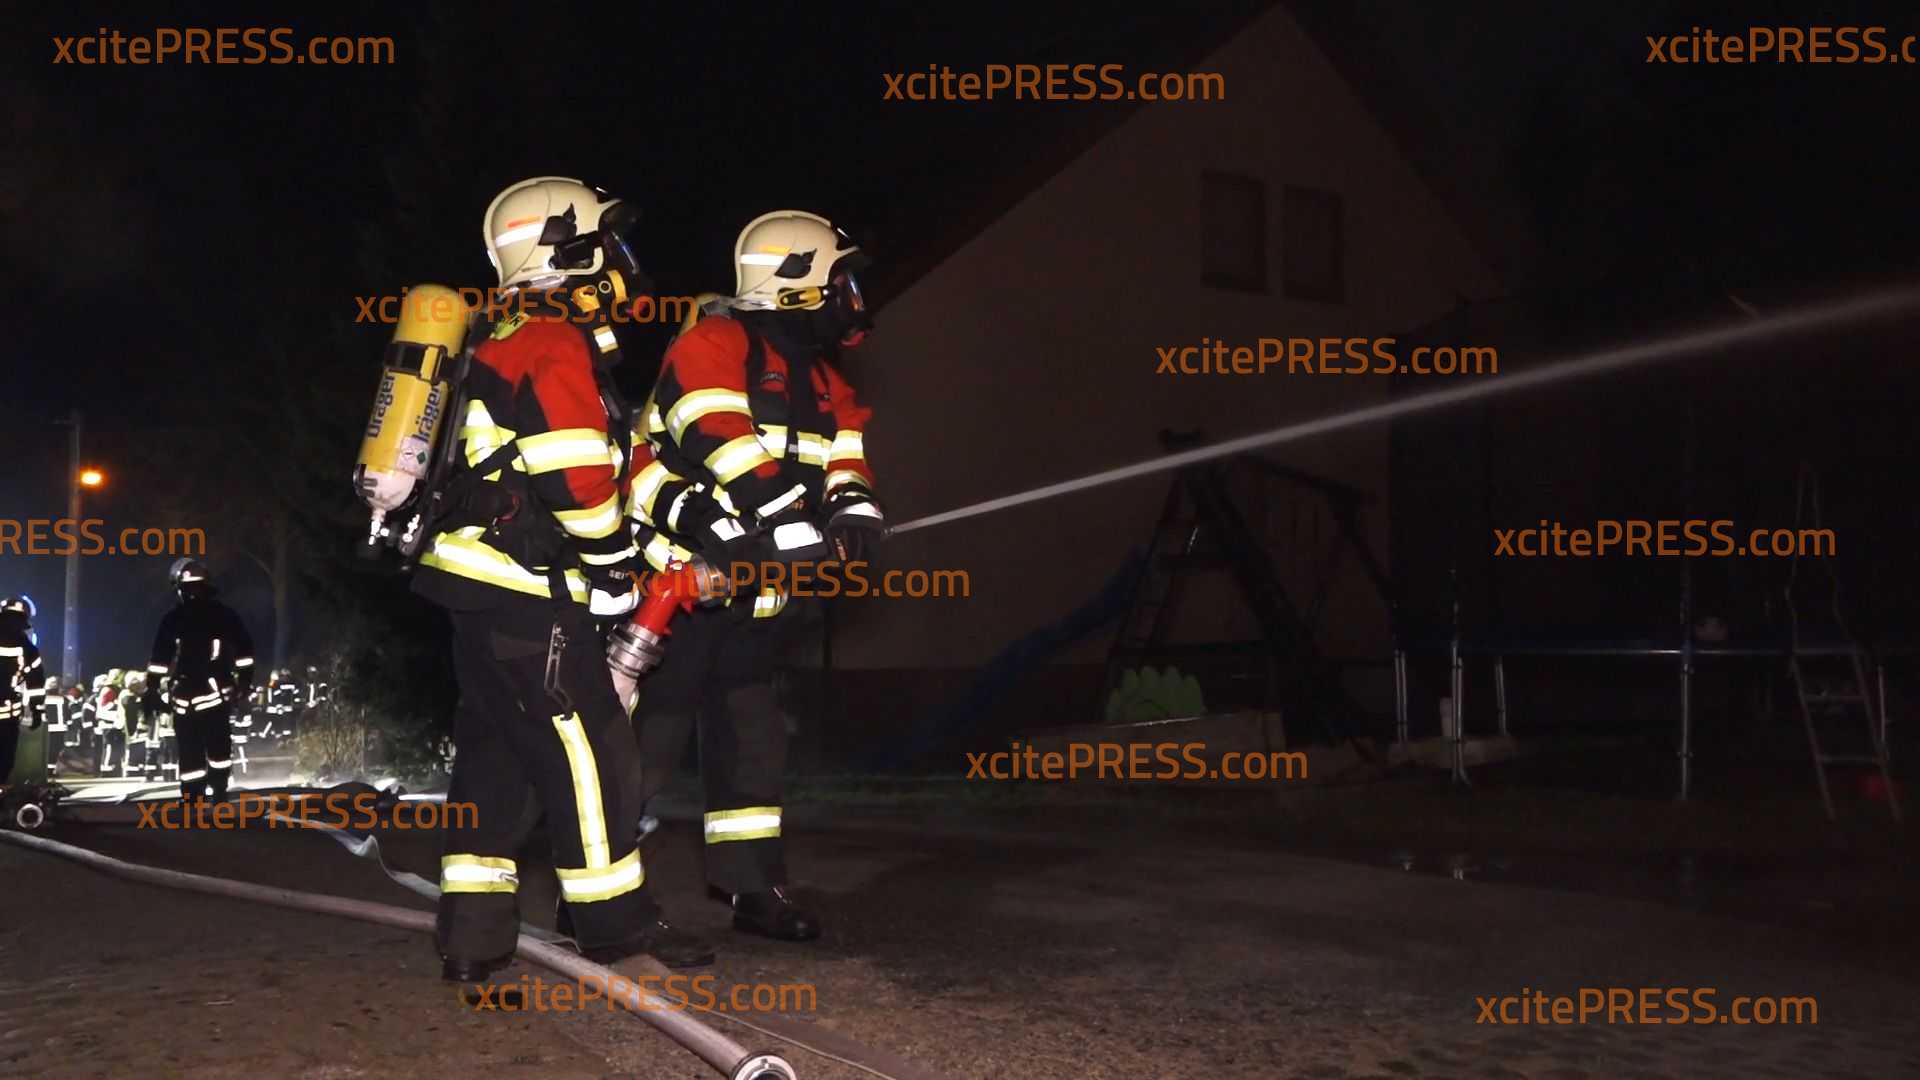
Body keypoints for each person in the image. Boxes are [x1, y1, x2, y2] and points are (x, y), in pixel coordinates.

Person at [411, 176, 708, 980]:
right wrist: (613, 567)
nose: (621, 262)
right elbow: (574, 475)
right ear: (567, 252)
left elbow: (579, 468)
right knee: (593, 755)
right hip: (530, 595)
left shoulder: (499, 335)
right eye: (608, 244)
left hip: (476, 592)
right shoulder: (549, 340)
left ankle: (473, 941)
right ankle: (618, 932)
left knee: (495, 760)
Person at [629, 210, 884, 942]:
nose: (852, 299)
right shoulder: (713, 345)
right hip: (680, 589)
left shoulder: (827, 381)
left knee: (753, 741)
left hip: (758, 598)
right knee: (647, 745)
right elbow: (717, 435)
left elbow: (846, 455)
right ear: (795, 283)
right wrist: (785, 519)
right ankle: (602, 896)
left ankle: (752, 888)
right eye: (840, 281)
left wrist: (854, 511)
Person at [143, 559, 255, 802]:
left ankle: (193, 797)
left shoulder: (173, 618)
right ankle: (216, 791)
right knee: (216, 747)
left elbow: (160, 658)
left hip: (186, 697)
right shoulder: (224, 615)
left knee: (190, 750)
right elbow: (245, 652)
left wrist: (152, 689)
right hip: (215, 694)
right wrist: (244, 682)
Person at [0, 597, 48, 789]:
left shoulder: (28, 649)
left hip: (9, 714)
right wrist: (37, 711)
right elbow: (36, 683)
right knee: (4, 755)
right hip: (8, 715)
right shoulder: (28, 648)